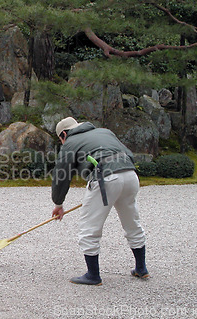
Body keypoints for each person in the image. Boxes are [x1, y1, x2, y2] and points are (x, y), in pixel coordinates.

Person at [51, 117, 149, 285]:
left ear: (64, 134)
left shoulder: (70, 142)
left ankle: (93, 275)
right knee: (131, 222)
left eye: (61, 139)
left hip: (105, 178)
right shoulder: (105, 131)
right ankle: (141, 268)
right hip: (130, 175)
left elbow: (61, 174)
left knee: (89, 227)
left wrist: (58, 203)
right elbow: (129, 154)